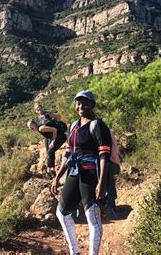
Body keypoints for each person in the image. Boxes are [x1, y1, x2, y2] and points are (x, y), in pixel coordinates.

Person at [51, 90, 112, 255]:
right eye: (78, 103)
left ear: (92, 105)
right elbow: (68, 153)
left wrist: (101, 182)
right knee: (61, 212)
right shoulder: (73, 126)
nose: (80, 106)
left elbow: (104, 154)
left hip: (90, 174)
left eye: (85, 103)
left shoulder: (97, 125)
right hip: (74, 171)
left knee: (92, 216)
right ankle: (74, 252)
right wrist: (57, 177)